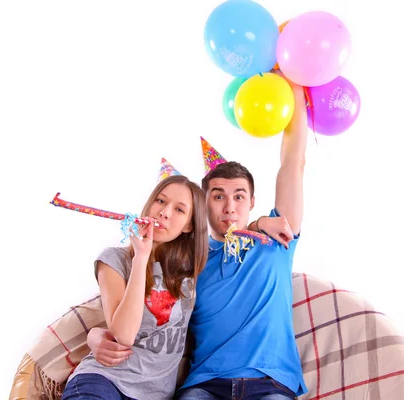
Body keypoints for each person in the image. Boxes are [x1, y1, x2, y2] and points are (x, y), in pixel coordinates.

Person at [87, 76, 308, 399]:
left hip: (270, 382)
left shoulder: (278, 239)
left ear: (252, 203)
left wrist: (298, 83)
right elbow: (139, 314)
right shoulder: (188, 264)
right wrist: (94, 335)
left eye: (239, 197)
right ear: (202, 208)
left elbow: (293, 163)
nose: (230, 207)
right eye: (218, 197)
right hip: (204, 385)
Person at [62, 174, 208, 400]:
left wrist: (260, 223)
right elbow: (124, 335)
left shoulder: (192, 269)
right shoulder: (114, 260)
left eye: (179, 210)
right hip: (104, 380)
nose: (164, 212)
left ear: (189, 225)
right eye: (160, 201)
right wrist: (141, 257)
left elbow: (233, 231)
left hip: (155, 394)